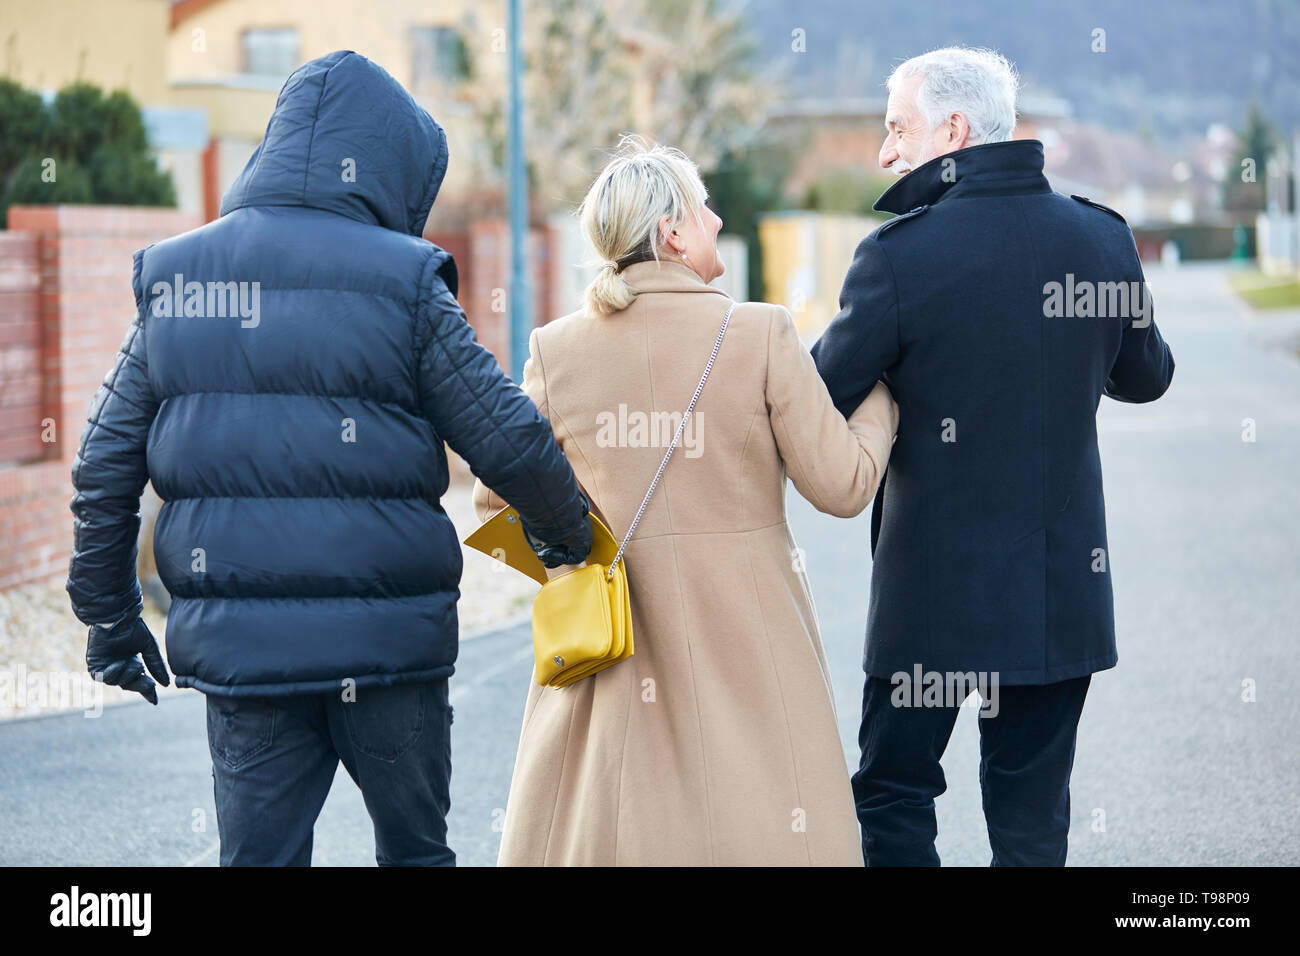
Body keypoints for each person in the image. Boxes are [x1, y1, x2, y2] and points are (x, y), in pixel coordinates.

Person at [64, 50, 592, 867]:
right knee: (417, 856)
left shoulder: (178, 277)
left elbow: (103, 461)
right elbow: (508, 437)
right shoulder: (406, 282)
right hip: (390, 651)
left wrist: (108, 616)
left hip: (248, 659)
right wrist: (568, 538)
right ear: (392, 166)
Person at [473, 136, 898, 866]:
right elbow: (844, 484)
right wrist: (884, 391)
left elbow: (493, 505)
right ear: (672, 230)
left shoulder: (556, 348)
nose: (716, 219)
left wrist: (584, 562)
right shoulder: (760, 332)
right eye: (704, 208)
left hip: (611, 648)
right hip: (752, 645)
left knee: (622, 830)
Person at [811, 47, 1176, 866]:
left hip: (929, 606)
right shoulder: (1103, 240)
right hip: (1056, 593)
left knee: (897, 796)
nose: (885, 153)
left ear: (953, 129)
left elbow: (815, 395)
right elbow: (1146, 378)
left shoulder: (897, 258)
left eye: (897, 128)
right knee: (1031, 814)